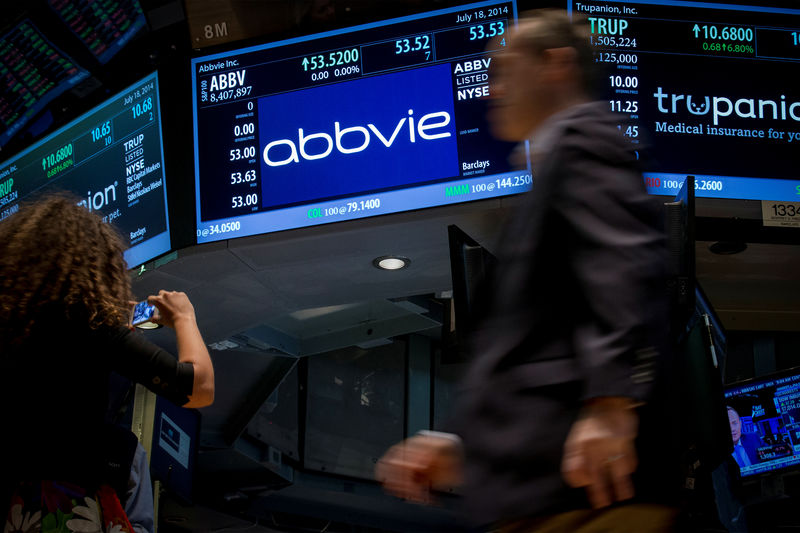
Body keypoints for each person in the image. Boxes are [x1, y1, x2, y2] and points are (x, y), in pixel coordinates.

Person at [376, 10, 678, 531]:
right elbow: (533, 341)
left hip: (586, 492)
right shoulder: (556, 164)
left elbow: (623, 265)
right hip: (540, 495)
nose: (491, 87)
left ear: (556, 66)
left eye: (505, 68)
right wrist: (461, 445)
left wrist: (610, 403)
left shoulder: (586, 140)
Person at [0, 194, 214, 531]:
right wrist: (185, 318)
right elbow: (198, 389)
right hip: (61, 512)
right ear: (94, 266)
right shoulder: (93, 327)